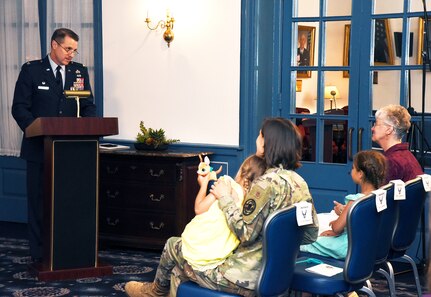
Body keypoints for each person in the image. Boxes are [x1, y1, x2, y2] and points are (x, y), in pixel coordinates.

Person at [125, 117, 319, 297]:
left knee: (177, 255)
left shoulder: (264, 184)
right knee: (181, 269)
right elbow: (310, 234)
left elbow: (245, 234)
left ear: (268, 142)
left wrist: (225, 197)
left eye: (261, 135)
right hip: (278, 274)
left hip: (243, 278)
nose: (258, 139)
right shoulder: (299, 183)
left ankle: (154, 292)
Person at [11, 28, 96, 262]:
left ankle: (67, 251)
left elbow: (88, 106)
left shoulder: (79, 72)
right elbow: (19, 107)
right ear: (54, 45)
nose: (72, 54)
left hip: (70, 152)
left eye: (75, 50)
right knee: (39, 205)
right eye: (68, 49)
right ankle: (40, 255)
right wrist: (36, 131)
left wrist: (89, 128)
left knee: (67, 204)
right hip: (39, 150)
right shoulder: (32, 70)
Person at [181, 154, 266, 272]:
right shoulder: (250, 202)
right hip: (220, 251)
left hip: (203, 244)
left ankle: (159, 289)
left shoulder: (226, 184)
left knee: (172, 244)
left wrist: (203, 184)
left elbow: (199, 209)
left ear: (242, 170)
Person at [300, 150, 387, 259]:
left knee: (307, 242)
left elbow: (337, 228)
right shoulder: (380, 196)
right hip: (367, 246)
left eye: (353, 168)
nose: (351, 170)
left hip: (347, 248)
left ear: (360, 174)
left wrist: (335, 224)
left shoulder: (355, 202)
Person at [371, 104, 423, 183]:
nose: (372, 128)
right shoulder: (406, 156)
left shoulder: (392, 162)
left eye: (376, 124)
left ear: (389, 129)